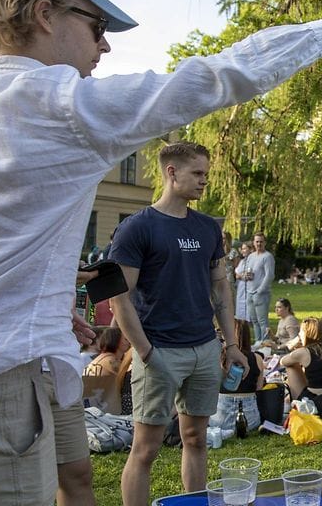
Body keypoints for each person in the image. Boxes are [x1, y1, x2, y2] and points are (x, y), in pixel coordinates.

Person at [0, 0, 322, 503]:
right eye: (95, 24)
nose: (103, 44)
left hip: (17, 362)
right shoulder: (63, 106)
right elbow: (221, 75)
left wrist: (43, 306)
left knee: (75, 483)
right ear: (45, 13)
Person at [109, 142, 250, 505]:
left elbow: (220, 285)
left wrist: (231, 344)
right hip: (159, 351)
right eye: (197, 174)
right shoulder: (136, 228)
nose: (204, 182)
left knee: (197, 439)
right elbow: (118, 296)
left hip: (204, 348)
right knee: (145, 449)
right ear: (171, 173)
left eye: (206, 173)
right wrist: (145, 351)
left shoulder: (206, 228)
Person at [209, 321, 265, 431]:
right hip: (250, 420)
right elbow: (259, 388)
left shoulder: (219, 357)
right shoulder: (257, 358)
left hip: (220, 418)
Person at [281, 318, 322, 400]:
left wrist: (294, 344)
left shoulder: (304, 352)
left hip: (315, 400)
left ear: (304, 333)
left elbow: (283, 361)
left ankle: (294, 401)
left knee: (291, 366)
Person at [245, 232, 276, 343]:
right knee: (254, 321)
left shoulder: (267, 257)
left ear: (265, 243)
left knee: (263, 321)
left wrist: (260, 291)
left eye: (261, 241)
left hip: (261, 293)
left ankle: (265, 344)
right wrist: (246, 275)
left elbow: (269, 275)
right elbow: (247, 271)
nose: (259, 244)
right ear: (253, 243)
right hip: (249, 292)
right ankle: (258, 342)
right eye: (257, 241)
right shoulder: (251, 256)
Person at [234, 241, 252, 322]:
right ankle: (242, 320)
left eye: (245, 249)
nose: (243, 251)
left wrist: (241, 275)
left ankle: (248, 321)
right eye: (242, 249)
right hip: (241, 287)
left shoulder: (253, 260)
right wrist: (242, 275)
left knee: (249, 305)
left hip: (250, 286)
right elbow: (237, 275)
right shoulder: (242, 261)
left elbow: (250, 275)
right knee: (240, 304)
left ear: (250, 249)